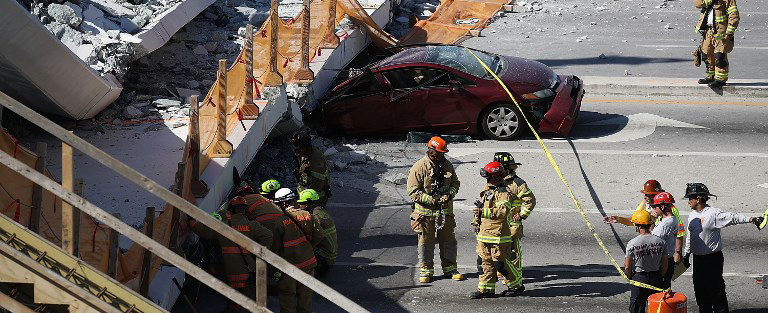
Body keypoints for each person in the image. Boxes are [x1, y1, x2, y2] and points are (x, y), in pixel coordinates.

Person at [682, 183, 764, 313]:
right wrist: (686, 254)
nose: (688, 201)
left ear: (698, 199)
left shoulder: (713, 214)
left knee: (716, 291)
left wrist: (752, 219)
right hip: (697, 260)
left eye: (690, 198)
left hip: (712, 259)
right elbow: (690, 237)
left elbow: (733, 218)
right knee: (700, 291)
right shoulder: (692, 215)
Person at [236, 186, 317, 313]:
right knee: (305, 301)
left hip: (289, 269)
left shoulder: (279, 222)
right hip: (308, 263)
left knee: (287, 300)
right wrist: (308, 249)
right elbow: (319, 236)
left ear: (282, 203)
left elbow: (274, 248)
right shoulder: (303, 215)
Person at [188, 196, 273, 313]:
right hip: (250, 272)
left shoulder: (223, 227)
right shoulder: (252, 225)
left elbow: (204, 232)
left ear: (231, 210)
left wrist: (192, 222)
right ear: (244, 210)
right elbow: (268, 236)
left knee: (235, 301)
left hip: (233, 275)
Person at [407, 136, 462, 283]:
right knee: (426, 243)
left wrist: (449, 194)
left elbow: (455, 183)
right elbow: (413, 191)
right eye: (440, 153)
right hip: (425, 215)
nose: (443, 155)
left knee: (449, 241)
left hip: (445, 213)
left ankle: (450, 269)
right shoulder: (419, 167)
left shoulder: (447, 165)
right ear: (432, 151)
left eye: (443, 153)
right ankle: (426, 271)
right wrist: (431, 200)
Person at [471, 161, 522, 299]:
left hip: (498, 235)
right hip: (484, 234)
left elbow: (502, 212)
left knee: (500, 264)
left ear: (497, 176)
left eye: (489, 177)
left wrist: (482, 212)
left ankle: (516, 285)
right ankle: (486, 289)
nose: (487, 179)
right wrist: (476, 222)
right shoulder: (488, 189)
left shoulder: (504, 193)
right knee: (485, 262)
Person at [493, 152, 535, 291]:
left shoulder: (517, 183)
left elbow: (530, 201)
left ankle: (515, 278)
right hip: (497, 224)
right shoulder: (495, 181)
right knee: (497, 250)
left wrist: (521, 215)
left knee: (512, 253)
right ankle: (503, 271)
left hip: (512, 225)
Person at [604, 180, 686, 246]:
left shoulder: (670, 209)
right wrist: (619, 219)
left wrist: (678, 253)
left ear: (656, 195)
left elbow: (679, 232)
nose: (645, 197)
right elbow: (635, 221)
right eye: (645, 194)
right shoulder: (644, 205)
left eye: (648, 195)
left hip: (665, 250)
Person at [624, 210, 667, 313]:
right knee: (656, 307)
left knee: (637, 307)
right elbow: (665, 265)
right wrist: (660, 276)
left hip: (639, 278)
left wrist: (630, 276)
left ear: (638, 226)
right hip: (656, 277)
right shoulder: (661, 242)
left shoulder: (632, 243)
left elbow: (627, 266)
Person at [694, 0, 739, 88]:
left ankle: (720, 79)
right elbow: (698, 4)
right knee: (706, 53)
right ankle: (710, 76)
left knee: (720, 56)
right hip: (708, 30)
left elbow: (734, 15)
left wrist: (730, 31)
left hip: (721, 32)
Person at [297, 189, 338, 277]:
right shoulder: (320, 211)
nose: (300, 206)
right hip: (328, 254)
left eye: (302, 203)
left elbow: (312, 235)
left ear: (309, 203)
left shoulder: (315, 217)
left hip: (323, 258)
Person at [649, 192, 683, 288]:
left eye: (655, 207)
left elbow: (652, 241)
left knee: (658, 289)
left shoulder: (665, 224)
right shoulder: (673, 220)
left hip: (660, 262)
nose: (654, 209)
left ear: (662, 207)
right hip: (668, 259)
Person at [289, 131, 331, 206]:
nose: (298, 152)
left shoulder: (317, 159)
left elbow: (317, 183)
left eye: (300, 150)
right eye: (296, 150)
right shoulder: (301, 153)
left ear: (307, 147)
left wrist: (307, 199)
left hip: (315, 197)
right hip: (305, 194)